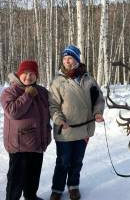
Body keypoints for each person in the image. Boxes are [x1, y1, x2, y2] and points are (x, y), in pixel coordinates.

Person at [49, 45, 105, 200]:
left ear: (77, 60)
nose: (67, 61)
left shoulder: (89, 80)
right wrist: (59, 119)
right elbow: (53, 105)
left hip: (84, 129)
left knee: (77, 161)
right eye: (65, 58)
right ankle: (57, 189)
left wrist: (98, 113)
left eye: (70, 58)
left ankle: (73, 186)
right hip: (65, 130)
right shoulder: (57, 81)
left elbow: (99, 99)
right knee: (63, 161)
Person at [0, 60, 52, 200]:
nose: (28, 77)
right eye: (25, 73)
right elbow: (13, 111)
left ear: (37, 76)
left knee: (33, 175)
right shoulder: (10, 92)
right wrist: (28, 95)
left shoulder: (42, 92)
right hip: (19, 146)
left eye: (32, 74)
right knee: (16, 179)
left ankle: (30, 196)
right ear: (19, 74)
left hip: (37, 142)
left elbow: (52, 108)